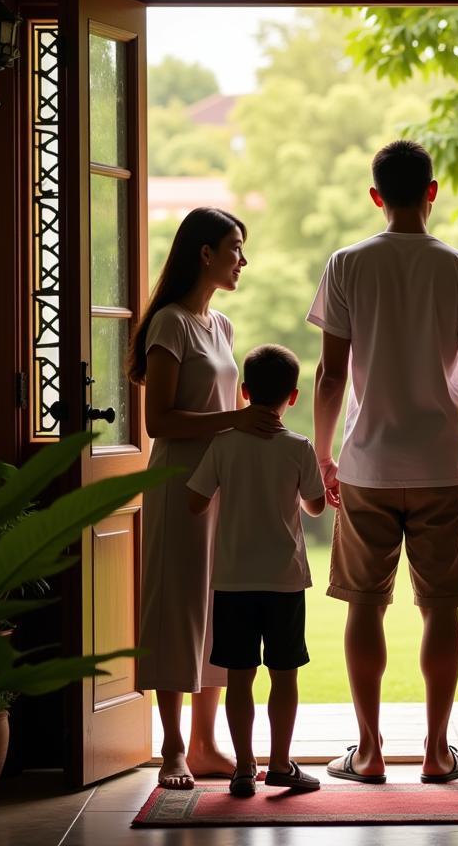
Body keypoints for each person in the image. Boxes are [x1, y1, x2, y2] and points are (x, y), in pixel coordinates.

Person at [309, 139, 458, 784]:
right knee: (439, 608)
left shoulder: (347, 264)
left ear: (375, 197)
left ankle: (366, 753)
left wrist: (322, 455)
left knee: (364, 606)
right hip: (442, 464)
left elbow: (331, 373)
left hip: (367, 463)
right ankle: (436, 751)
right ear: (432, 190)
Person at [127, 207, 283, 790]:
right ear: (205, 254)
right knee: (176, 609)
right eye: (235, 248)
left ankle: (205, 744)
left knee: (219, 610)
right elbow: (160, 420)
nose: (243, 260)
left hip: (220, 486)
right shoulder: (171, 323)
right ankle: (170, 750)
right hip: (176, 483)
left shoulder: (221, 327)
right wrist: (238, 418)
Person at [188, 344, 326, 797]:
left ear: (243, 391)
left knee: (239, 677)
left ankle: (244, 766)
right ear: (294, 396)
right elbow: (316, 504)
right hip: (283, 579)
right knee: (285, 675)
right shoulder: (298, 447)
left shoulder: (223, 444)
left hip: (233, 579)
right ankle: (281, 764)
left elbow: (195, 500)